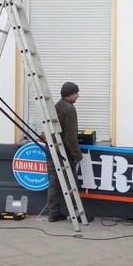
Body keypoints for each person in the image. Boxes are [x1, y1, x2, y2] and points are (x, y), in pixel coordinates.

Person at [46, 81, 85, 222]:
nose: (78, 96)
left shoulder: (55, 107)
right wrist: (77, 155)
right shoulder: (69, 109)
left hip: (52, 151)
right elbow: (71, 136)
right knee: (71, 184)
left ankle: (53, 213)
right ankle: (77, 213)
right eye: (76, 93)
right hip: (65, 153)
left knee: (53, 184)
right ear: (70, 94)